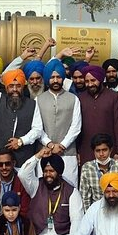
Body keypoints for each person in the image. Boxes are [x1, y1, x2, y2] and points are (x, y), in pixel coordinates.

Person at [18, 149, 84, 235]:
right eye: (45, 171)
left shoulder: (71, 191)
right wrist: (38, 155)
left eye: (52, 171)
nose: (48, 174)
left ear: (59, 172)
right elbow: (22, 174)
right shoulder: (36, 185)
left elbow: (76, 222)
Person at [32, 58, 82, 186]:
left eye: (58, 77)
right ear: (47, 78)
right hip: (45, 152)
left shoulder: (73, 99)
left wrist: (62, 145)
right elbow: (37, 127)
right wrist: (50, 145)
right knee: (44, 187)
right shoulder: (39, 99)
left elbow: (76, 126)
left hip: (68, 153)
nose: (55, 80)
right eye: (52, 77)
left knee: (70, 188)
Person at [77, 65, 118, 165]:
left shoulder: (114, 97)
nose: (90, 84)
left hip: (109, 150)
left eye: (93, 80)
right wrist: (77, 151)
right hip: (86, 149)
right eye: (87, 81)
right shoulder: (80, 98)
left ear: (100, 79)